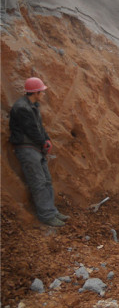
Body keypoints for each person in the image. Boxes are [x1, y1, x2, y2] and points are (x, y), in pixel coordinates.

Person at [9, 77, 69, 227]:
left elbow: (40, 128)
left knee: (46, 180)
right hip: (27, 149)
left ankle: (52, 211)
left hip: (35, 149)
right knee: (38, 183)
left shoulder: (32, 106)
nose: (43, 94)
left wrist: (46, 140)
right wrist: (43, 142)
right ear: (35, 92)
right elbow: (32, 131)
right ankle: (46, 216)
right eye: (41, 91)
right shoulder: (22, 108)